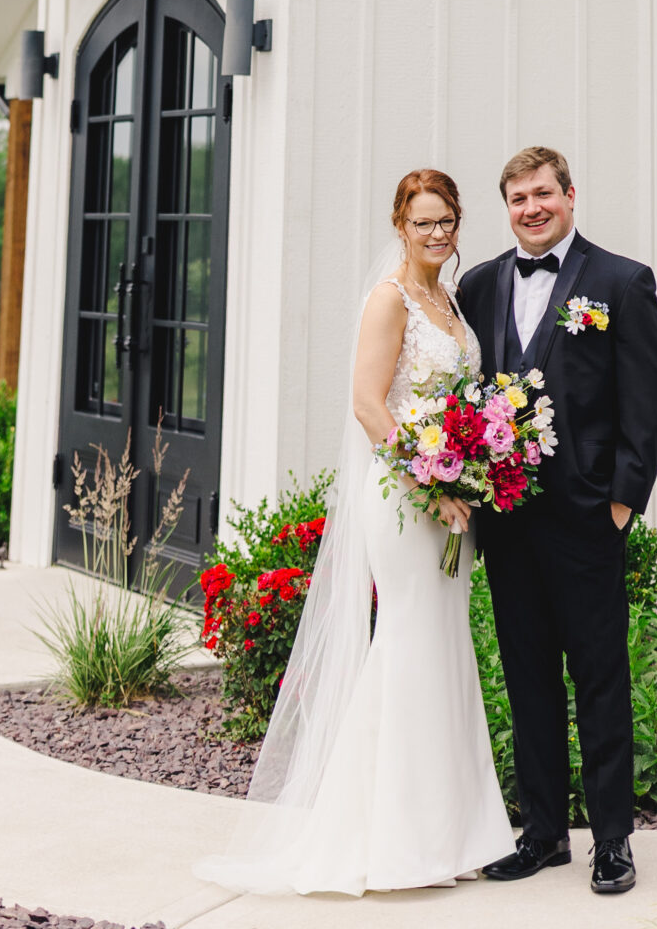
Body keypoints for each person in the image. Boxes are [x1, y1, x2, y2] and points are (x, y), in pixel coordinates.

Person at [194, 169, 511, 897]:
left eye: (446, 221)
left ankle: (452, 832)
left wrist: (465, 476)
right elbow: (371, 408)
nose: (436, 233)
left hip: (452, 498)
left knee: (444, 647)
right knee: (409, 643)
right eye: (422, 222)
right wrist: (430, 486)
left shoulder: (450, 302)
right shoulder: (388, 300)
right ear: (398, 226)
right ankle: (394, 839)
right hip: (403, 499)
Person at [457, 146, 657, 897]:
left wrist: (622, 500)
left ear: (570, 196)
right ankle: (543, 831)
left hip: (587, 520)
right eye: (517, 198)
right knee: (527, 680)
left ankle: (611, 840)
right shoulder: (479, 285)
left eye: (542, 193)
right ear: (507, 206)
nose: (531, 208)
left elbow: (649, 398)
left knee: (599, 679)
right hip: (508, 524)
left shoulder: (620, 281)